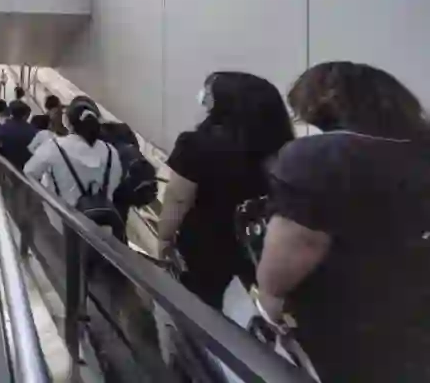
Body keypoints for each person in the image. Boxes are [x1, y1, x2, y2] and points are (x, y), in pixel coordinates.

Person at [254, 62, 430, 382]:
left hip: (347, 315)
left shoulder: (319, 155)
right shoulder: (420, 149)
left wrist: (268, 297)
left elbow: (303, 241)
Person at [155, 72, 293, 310]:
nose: (203, 98)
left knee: (198, 305)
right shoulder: (283, 150)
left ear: (225, 102)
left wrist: (164, 237)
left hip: (204, 245)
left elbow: (178, 198)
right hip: (259, 245)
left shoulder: (196, 144)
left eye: (209, 93)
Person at [25, 104, 124, 236]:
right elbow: (115, 180)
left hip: (63, 221)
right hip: (101, 223)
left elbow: (29, 173)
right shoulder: (111, 151)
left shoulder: (54, 146)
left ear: (69, 125)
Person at [0, 100, 36, 171]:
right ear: (25, 114)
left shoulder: (3, 128)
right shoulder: (31, 130)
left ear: (10, 112)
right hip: (27, 168)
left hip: (8, 167)